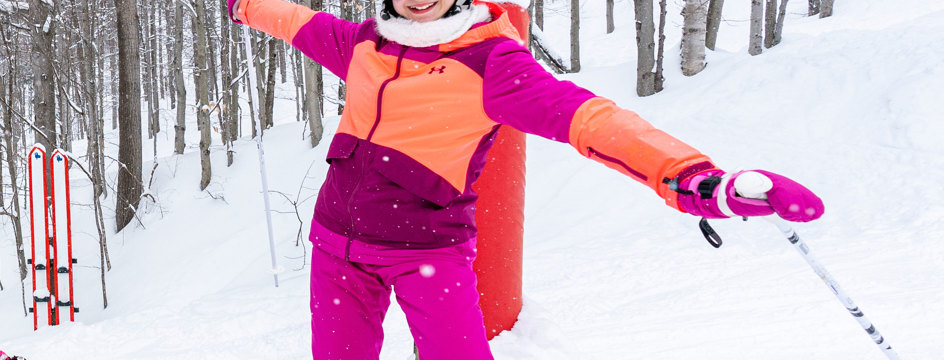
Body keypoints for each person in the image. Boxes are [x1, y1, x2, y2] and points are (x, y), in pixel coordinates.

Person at [224, 0, 827, 358]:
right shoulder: (362, 45)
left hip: (428, 255)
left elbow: (591, 119)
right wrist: (242, 4)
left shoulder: (491, 64)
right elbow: (290, 17)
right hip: (337, 251)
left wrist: (695, 178)